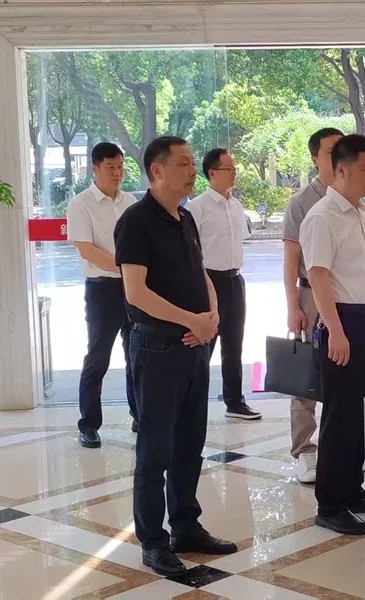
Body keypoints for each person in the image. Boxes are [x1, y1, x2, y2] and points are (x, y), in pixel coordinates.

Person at [114, 136, 236, 576]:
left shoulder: (185, 217)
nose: (192, 171)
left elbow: (200, 271)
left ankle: (186, 525)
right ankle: (153, 541)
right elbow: (136, 292)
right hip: (157, 349)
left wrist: (212, 314)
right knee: (155, 450)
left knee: (190, 443)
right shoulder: (136, 221)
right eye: (183, 163)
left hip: (195, 346)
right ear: (157, 170)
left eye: (192, 163)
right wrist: (192, 320)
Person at [299, 134, 365, 536]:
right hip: (344, 323)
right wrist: (335, 330)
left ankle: (352, 489)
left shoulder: (361, 210)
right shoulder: (322, 217)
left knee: (362, 413)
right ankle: (330, 504)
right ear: (341, 170)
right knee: (339, 417)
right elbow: (318, 276)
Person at [67, 142, 138, 448]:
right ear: (94, 168)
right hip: (102, 289)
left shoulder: (130, 201)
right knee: (98, 357)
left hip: (133, 288)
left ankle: (140, 415)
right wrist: (126, 268)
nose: (117, 173)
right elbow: (87, 250)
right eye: (111, 167)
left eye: (120, 167)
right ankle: (89, 424)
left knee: (137, 353)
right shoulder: (80, 204)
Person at [282, 127, 343, 483]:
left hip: (346, 294)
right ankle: (304, 449)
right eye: (331, 151)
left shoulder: (354, 197)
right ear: (315, 158)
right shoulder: (301, 202)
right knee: (306, 373)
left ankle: (341, 445)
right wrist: (293, 305)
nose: (338, 156)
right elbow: (291, 259)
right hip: (310, 293)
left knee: (344, 370)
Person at [187, 148, 261, 420]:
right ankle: (191, 403)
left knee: (234, 343)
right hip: (208, 282)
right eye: (228, 169)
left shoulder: (236, 206)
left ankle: (235, 401)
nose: (234, 173)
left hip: (234, 281)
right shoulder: (196, 208)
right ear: (212, 173)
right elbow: (189, 252)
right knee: (204, 345)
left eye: (234, 169)